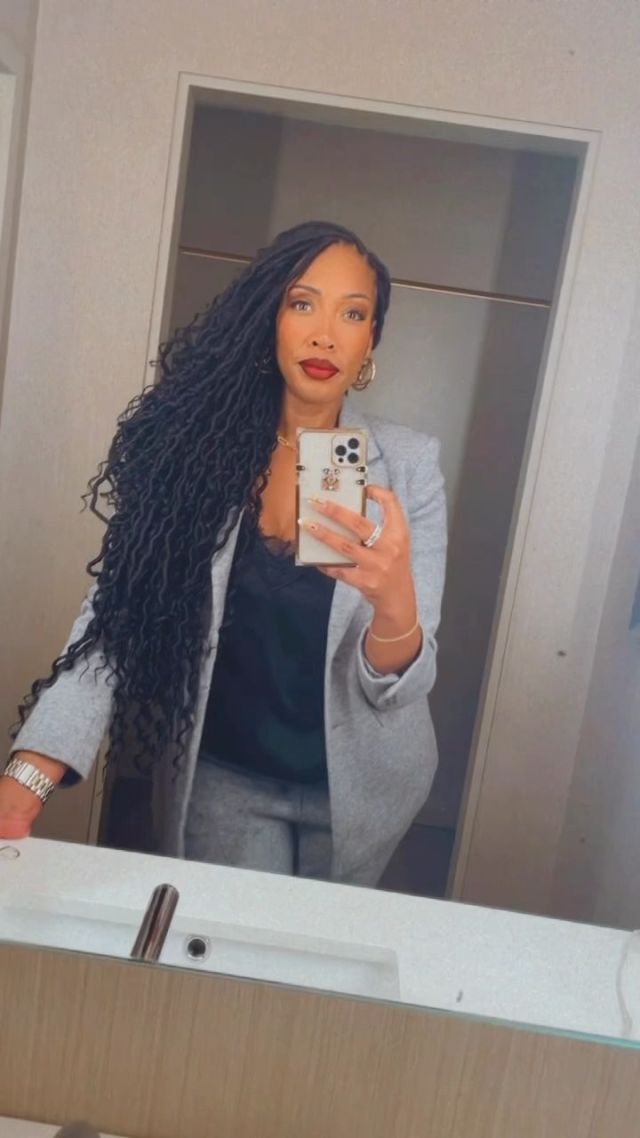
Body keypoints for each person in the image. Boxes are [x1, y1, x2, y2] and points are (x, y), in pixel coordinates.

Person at [0, 220, 447, 887]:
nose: (326, 334)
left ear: (370, 342)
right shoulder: (198, 457)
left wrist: (394, 606)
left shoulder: (408, 466)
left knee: (314, 948)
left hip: (362, 785)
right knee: (228, 947)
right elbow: (115, 621)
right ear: (268, 320)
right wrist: (34, 767)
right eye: (303, 303)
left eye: (353, 314)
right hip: (225, 777)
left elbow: (401, 686)